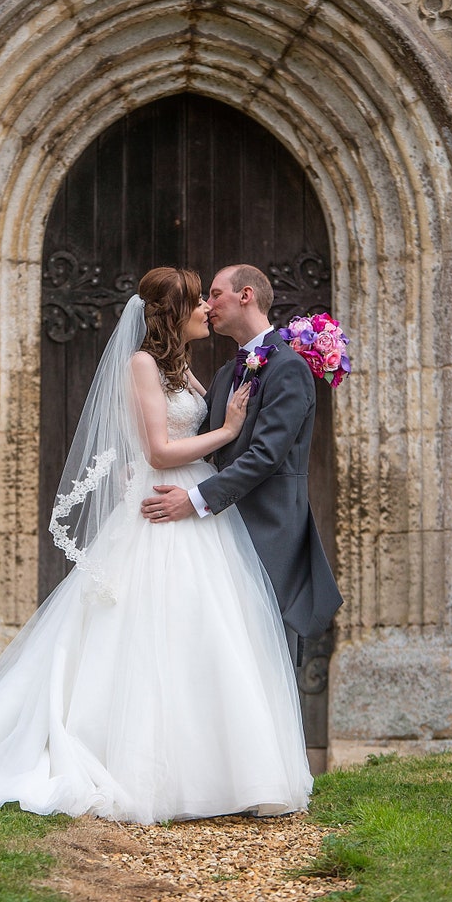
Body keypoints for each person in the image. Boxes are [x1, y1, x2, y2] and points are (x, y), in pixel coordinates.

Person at [0, 268, 312, 824]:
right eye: (199, 301)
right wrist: (230, 431)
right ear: (173, 313)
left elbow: (193, 437)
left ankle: (221, 769)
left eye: (213, 298)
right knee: (148, 633)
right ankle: (143, 766)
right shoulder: (141, 365)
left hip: (196, 509)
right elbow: (162, 451)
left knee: (204, 631)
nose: (208, 309)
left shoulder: (185, 370)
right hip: (167, 503)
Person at [142, 264, 342, 667]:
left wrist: (194, 500)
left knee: (267, 661)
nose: (208, 305)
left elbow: (266, 456)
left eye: (215, 294)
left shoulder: (288, 368)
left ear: (245, 295)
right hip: (220, 537)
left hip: (269, 531)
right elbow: (189, 436)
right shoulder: (224, 373)